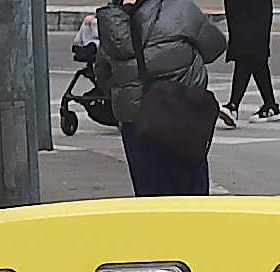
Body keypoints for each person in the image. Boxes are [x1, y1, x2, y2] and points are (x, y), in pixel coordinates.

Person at [91, 0, 227, 197]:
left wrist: (129, 91)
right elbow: (215, 46)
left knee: (149, 194)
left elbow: (103, 73)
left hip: (136, 120)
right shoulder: (180, 9)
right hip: (182, 111)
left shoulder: (112, 23)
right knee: (191, 193)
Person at [224, 0, 280, 120]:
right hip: (239, 8)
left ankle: (233, 105)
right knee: (256, 57)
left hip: (254, 7)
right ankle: (270, 105)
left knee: (247, 52)